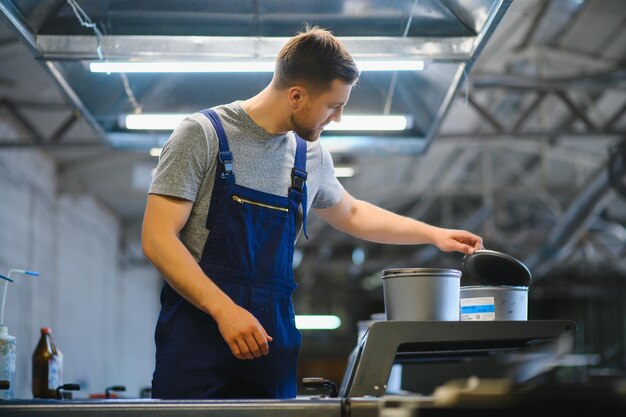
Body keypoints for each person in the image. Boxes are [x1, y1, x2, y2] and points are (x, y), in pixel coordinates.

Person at [141, 25, 483, 400]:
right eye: (333, 106)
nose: (336, 118)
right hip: (198, 339)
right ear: (297, 95)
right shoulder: (202, 135)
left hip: (271, 341)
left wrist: (432, 234)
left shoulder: (310, 155)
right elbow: (158, 240)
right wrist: (224, 310)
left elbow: (350, 212)